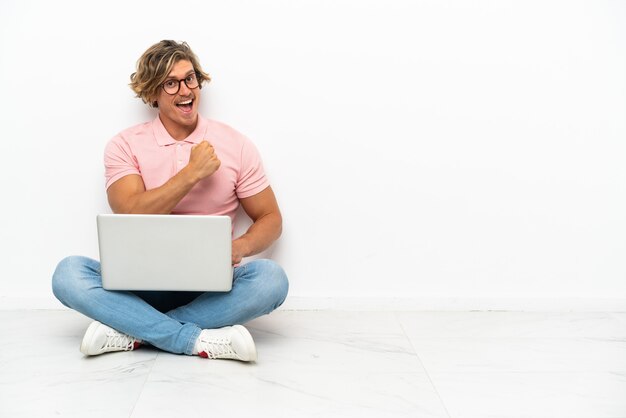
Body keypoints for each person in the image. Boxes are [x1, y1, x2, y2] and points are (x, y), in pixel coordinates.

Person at [51, 40, 288, 362]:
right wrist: (191, 174)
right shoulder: (124, 145)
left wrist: (239, 248)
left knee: (271, 281)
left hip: (212, 286)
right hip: (139, 283)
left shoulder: (236, 143)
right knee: (68, 274)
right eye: (171, 83)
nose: (185, 90)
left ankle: (131, 330)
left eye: (190, 79)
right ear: (152, 94)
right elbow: (129, 211)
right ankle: (191, 338)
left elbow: (270, 218)